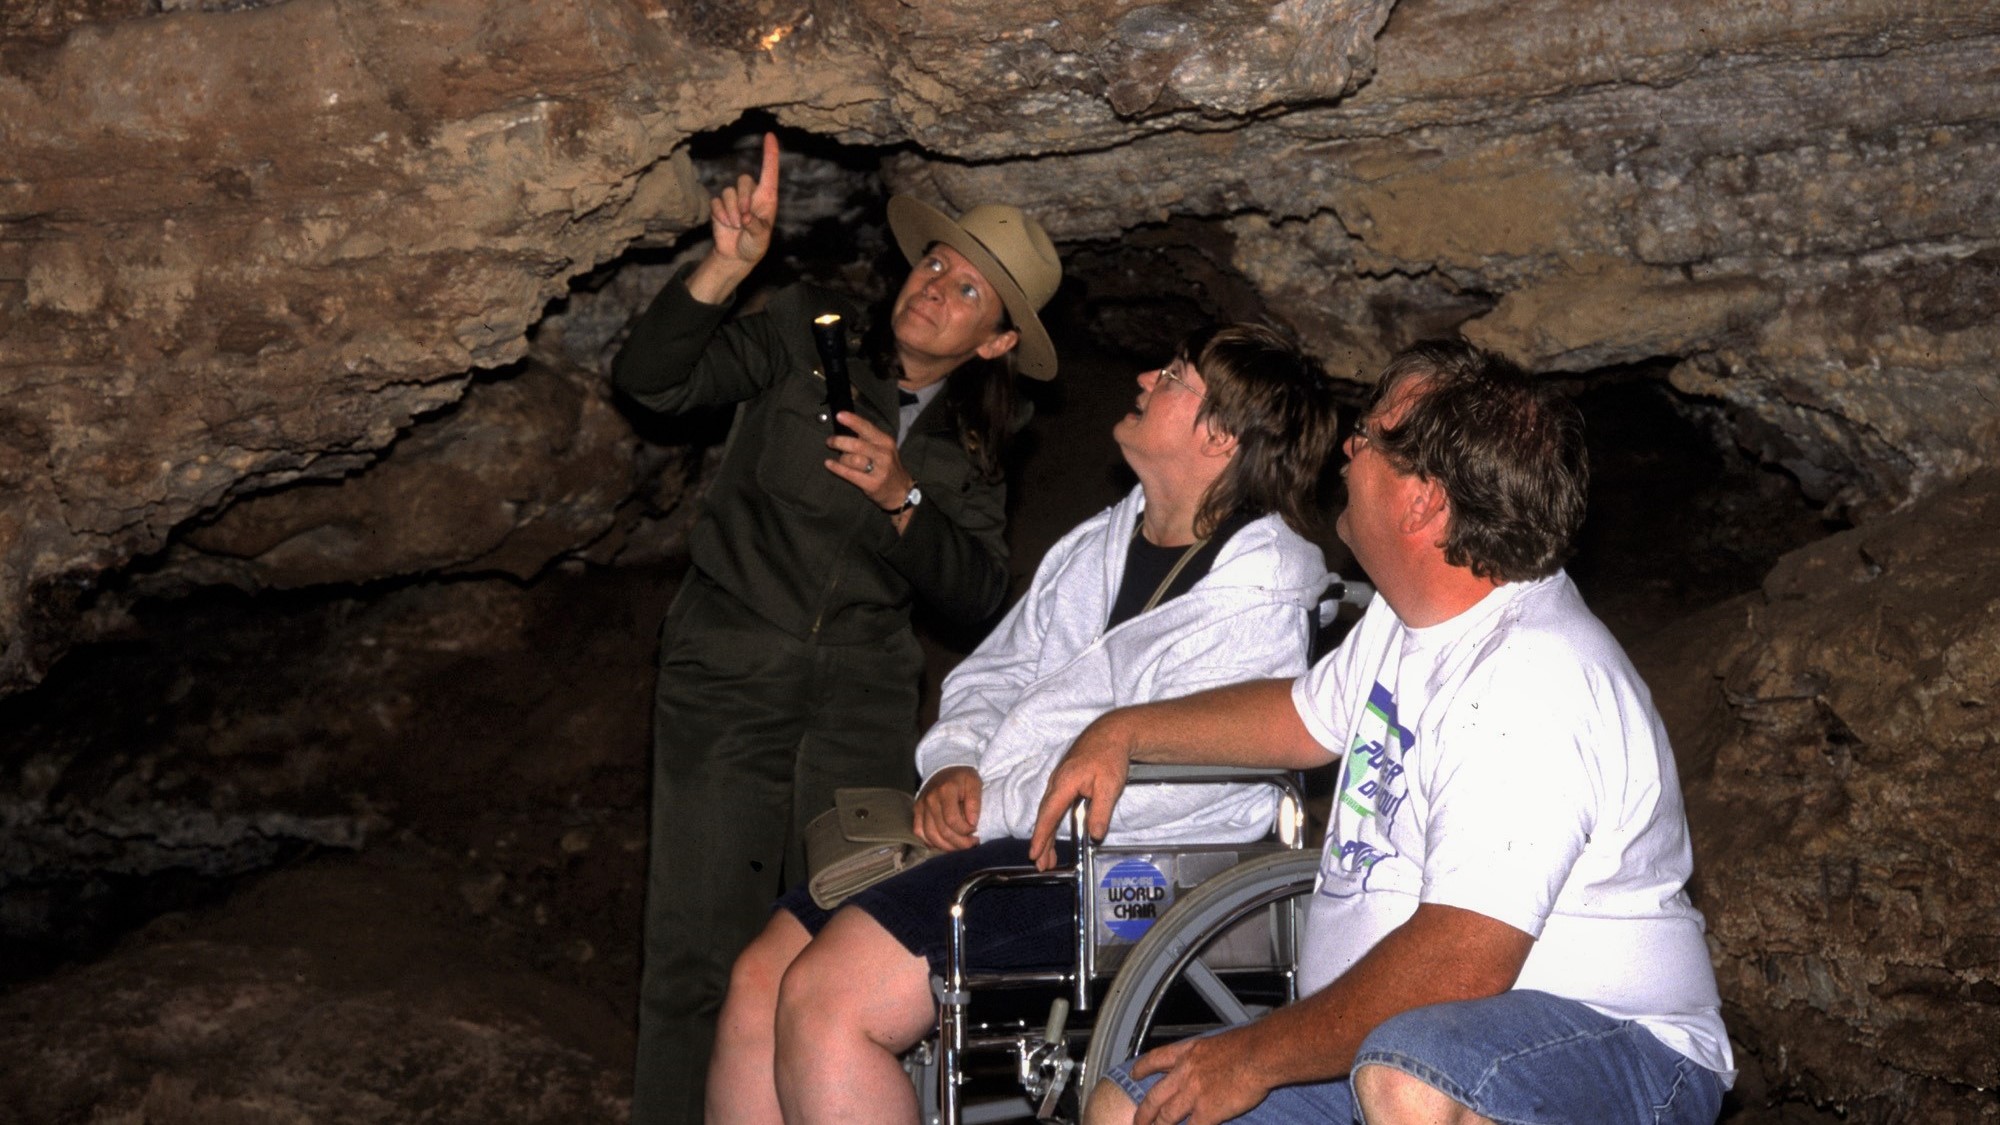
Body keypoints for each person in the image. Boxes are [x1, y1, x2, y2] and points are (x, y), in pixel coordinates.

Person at [1032, 339, 1736, 1125]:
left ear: (1424, 502)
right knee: (1131, 1110)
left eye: (1368, 433)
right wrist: (1127, 730)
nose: (1347, 445)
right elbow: (1301, 717)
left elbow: (1460, 959)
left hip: (1614, 1048)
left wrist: (1254, 1054)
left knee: (1417, 1077)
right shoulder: (1407, 622)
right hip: (1389, 1046)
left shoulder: (1532, 677)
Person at [704, 323, 1344, 1124]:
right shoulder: (1103, 541)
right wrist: (953, 766)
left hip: (1121, 866)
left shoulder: (1261, 593)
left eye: (1174, 374)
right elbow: (996, 672)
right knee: (760, 977)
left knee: (832, 996)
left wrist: (993, 804)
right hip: (1008, 823)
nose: (1145, 376)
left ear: (1220, 434)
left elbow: (1198, 789)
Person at [610, 132, 1064, 1125]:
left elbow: (984, 599)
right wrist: (724, 267)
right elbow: (654, 384)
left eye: (967, 293)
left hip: (858, 714)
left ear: (993, 342)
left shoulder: (976, 446)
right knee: (700, 949)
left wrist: (906, 503)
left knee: (845, 951)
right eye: (936, 263)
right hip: (728, 678)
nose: (934, 288)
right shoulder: (802, 331)